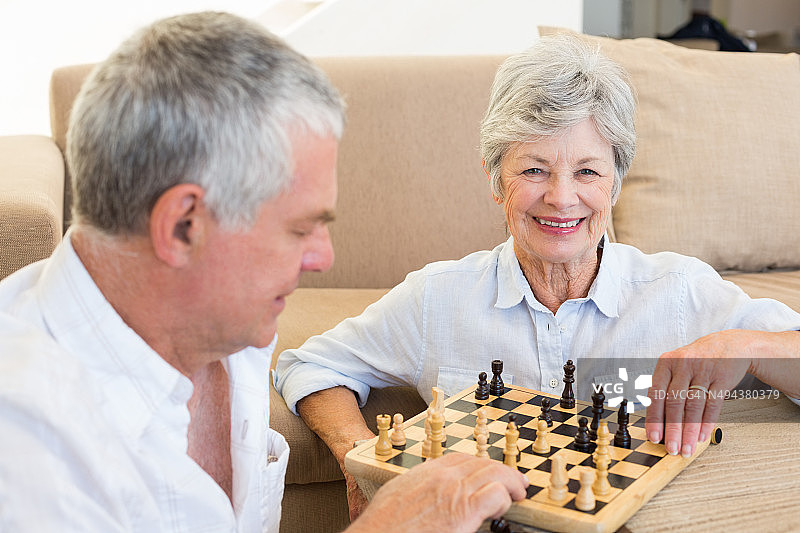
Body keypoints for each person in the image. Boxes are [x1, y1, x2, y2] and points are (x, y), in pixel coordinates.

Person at [0, 12, 529, 532]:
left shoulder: (229, 331)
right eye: (299, 229)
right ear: (183, 226)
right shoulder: (29, 451)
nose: (323, 257)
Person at [274, 33, 800, 519]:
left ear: (616, 183)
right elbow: (310, 366)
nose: (561, 198)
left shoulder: (679, 292)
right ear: (495, 179)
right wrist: (359, 459)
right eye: (534, 170)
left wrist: (749, 346)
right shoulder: (437, 298)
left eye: (587, 171)